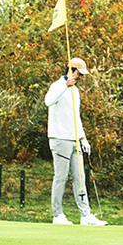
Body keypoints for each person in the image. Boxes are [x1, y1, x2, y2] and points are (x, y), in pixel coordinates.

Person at [44, 57, 107, 226]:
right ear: (71, 70)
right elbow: (48, 101)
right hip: (59, 139)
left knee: (80, 177)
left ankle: (85, 216)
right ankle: (57, 215)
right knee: (61, 177)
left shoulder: (76, 91)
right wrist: (65, 86)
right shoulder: (57, 86)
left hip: (74, 140)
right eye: (79, 73)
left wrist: (83, 137)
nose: (80, 77)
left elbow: (76, 117)